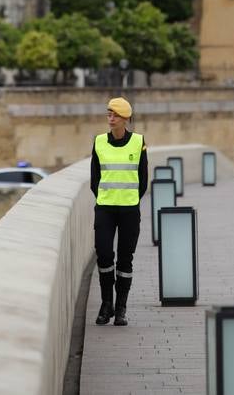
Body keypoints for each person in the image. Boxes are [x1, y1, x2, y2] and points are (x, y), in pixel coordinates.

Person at [90, 96, 147, 326]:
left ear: (125, 119)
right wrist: (105, 197)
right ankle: (106, 305)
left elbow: (143, 179)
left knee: (126, 260)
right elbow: (95, 178)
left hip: (129, 211)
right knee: (104, 255)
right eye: (109, 114)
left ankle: (121, 308)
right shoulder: (99, 142)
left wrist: (131, 199)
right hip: (105, 208)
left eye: (114, 115)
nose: (110, 118)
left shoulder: (138, 142)